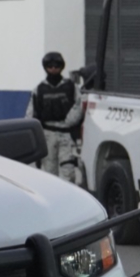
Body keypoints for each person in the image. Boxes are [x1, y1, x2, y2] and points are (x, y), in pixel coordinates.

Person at [26, 51, 83, 184]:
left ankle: (68, 199)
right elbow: (30, 115)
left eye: (56, 66)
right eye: (50, 66)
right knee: (50, 174)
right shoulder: (39, 89)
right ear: (45, 67)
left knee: (68, 171)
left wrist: (70, 120)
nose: (53, 69)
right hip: (47, 135)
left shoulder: (71, 87)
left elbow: (80, 105)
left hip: (66, 134)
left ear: (62, 67)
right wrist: (33, 140)